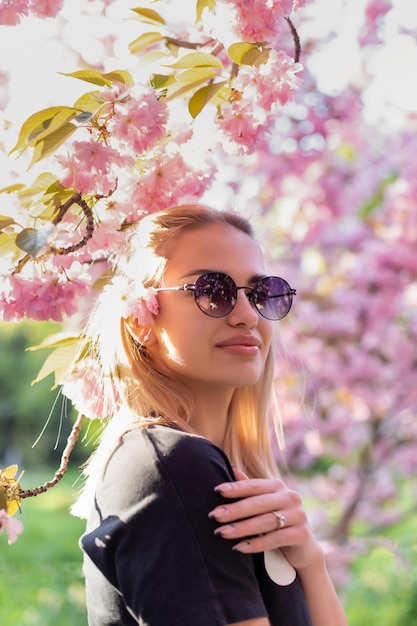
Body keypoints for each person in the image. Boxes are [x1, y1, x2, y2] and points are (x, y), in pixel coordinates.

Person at [73, 204, 348, 626]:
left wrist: (310, 561)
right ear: (140, 320)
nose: (247, 315)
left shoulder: (218, 474)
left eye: (259, 293)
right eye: (212, 290)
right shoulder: (172, 466)